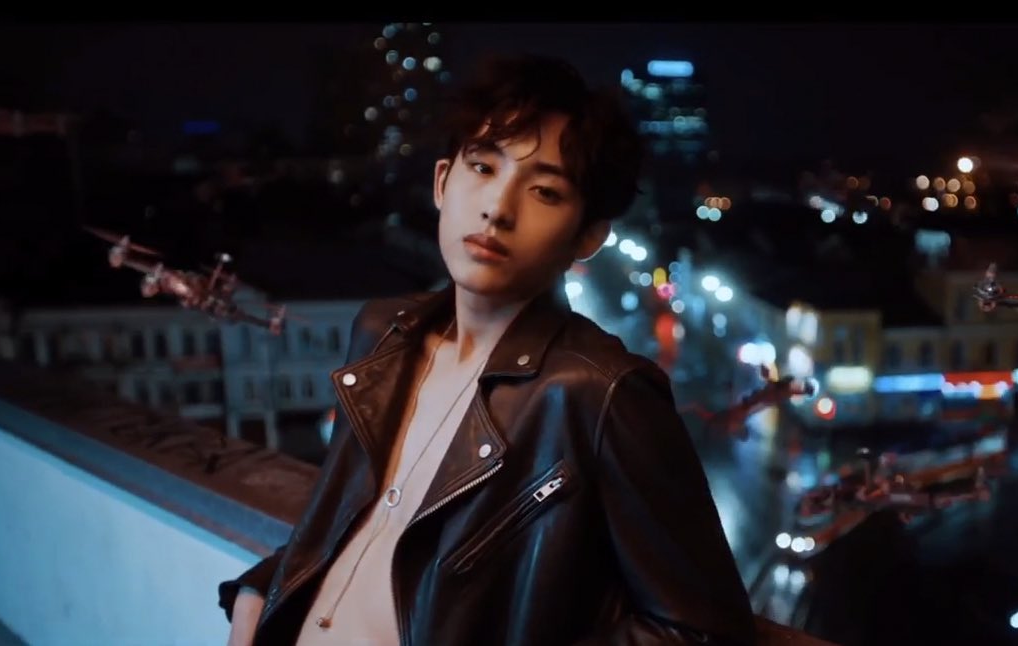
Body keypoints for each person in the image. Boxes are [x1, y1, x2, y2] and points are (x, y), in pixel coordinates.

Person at [219, 52, 757, 646]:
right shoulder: (384, 330)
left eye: (545, 191)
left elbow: (702, 630)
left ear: (588, 236)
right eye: (482, 167)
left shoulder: (601, 393)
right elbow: (355, 520)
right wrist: (258, 590)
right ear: (442, 182)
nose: (498, 209)